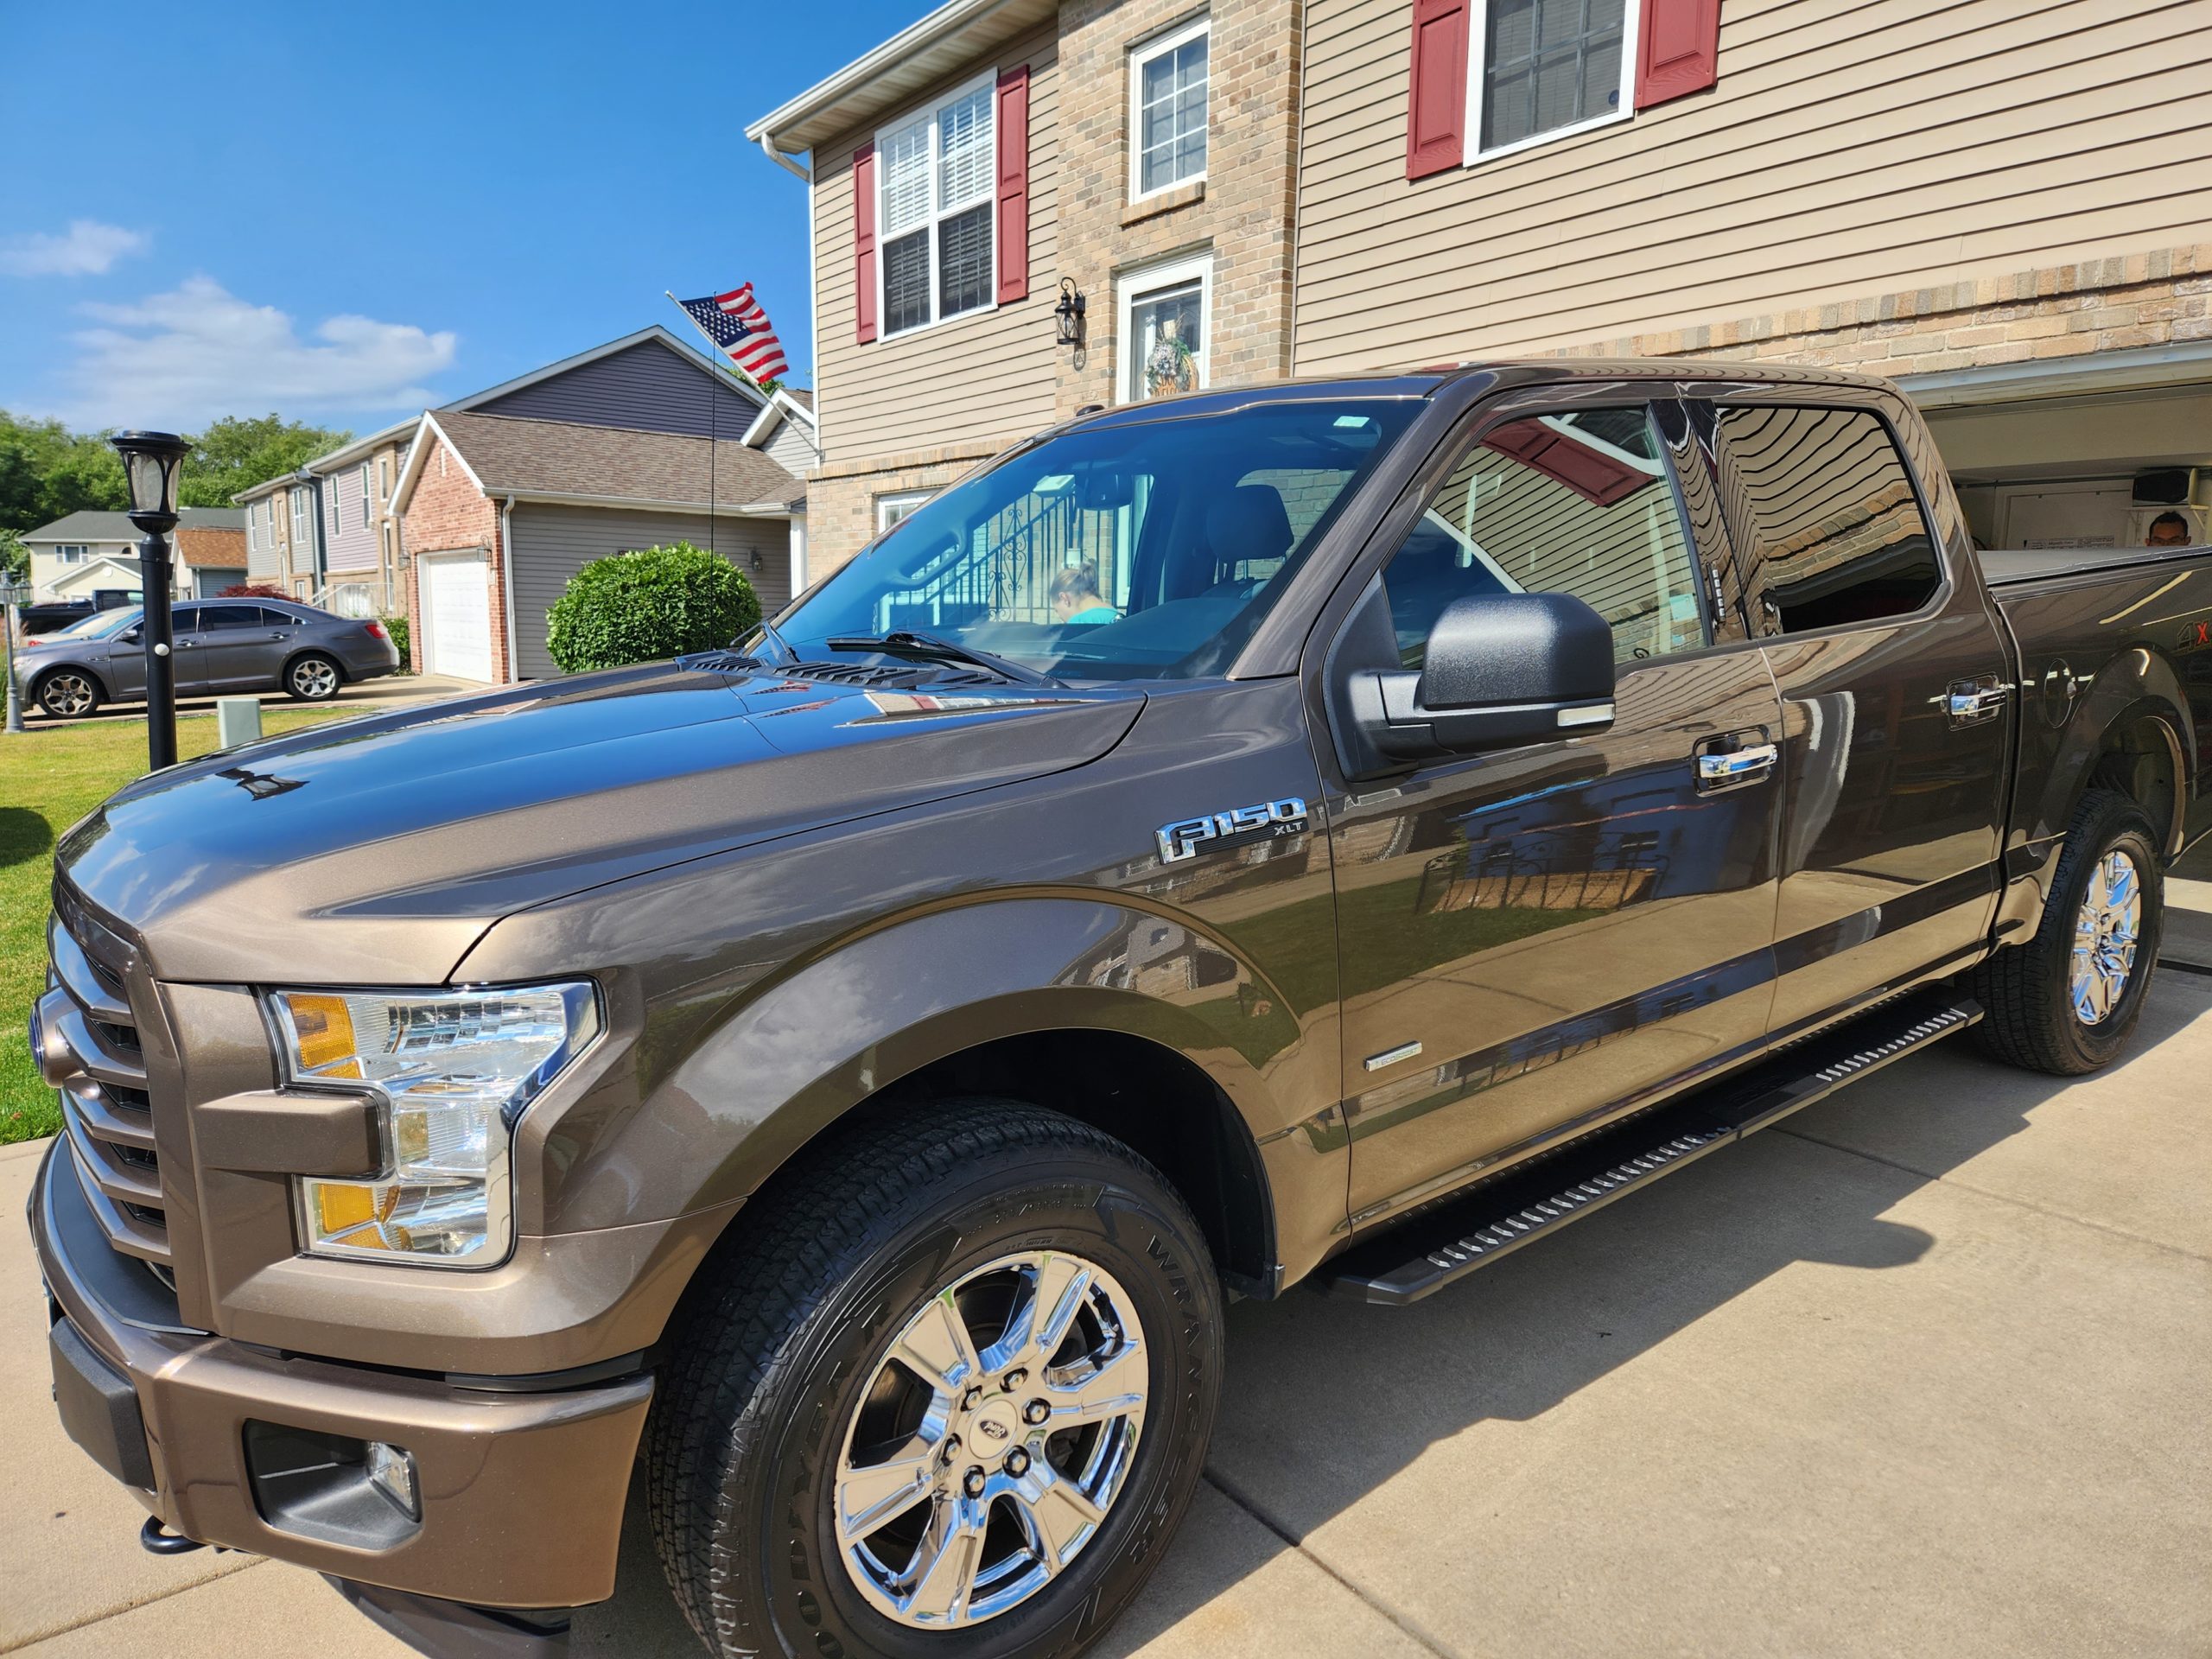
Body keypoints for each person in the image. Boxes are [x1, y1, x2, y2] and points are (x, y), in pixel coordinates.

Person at [1050, 562, 1120, 624]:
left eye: (1057, 610)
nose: (1059, 616)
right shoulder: (1116, 616)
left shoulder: (1078, 623)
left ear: (1064, 598)